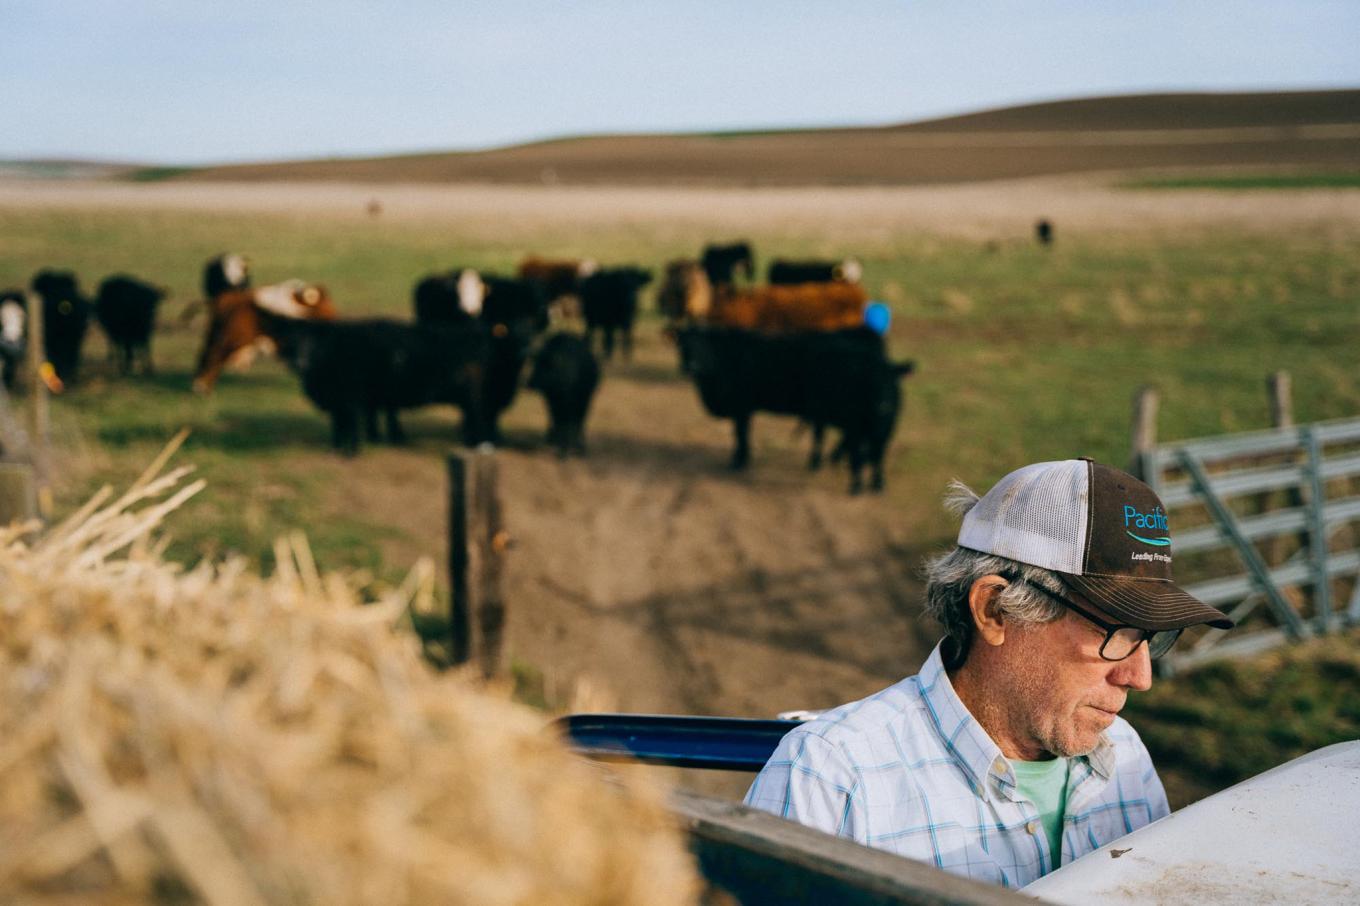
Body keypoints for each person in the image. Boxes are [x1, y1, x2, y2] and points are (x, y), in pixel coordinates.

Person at [744, 458, 1233, 889]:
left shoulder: (1124, 758)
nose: (1140, 677)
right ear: (995, 610)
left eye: (1151, 636)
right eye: (1118, 632)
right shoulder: (833, 778)